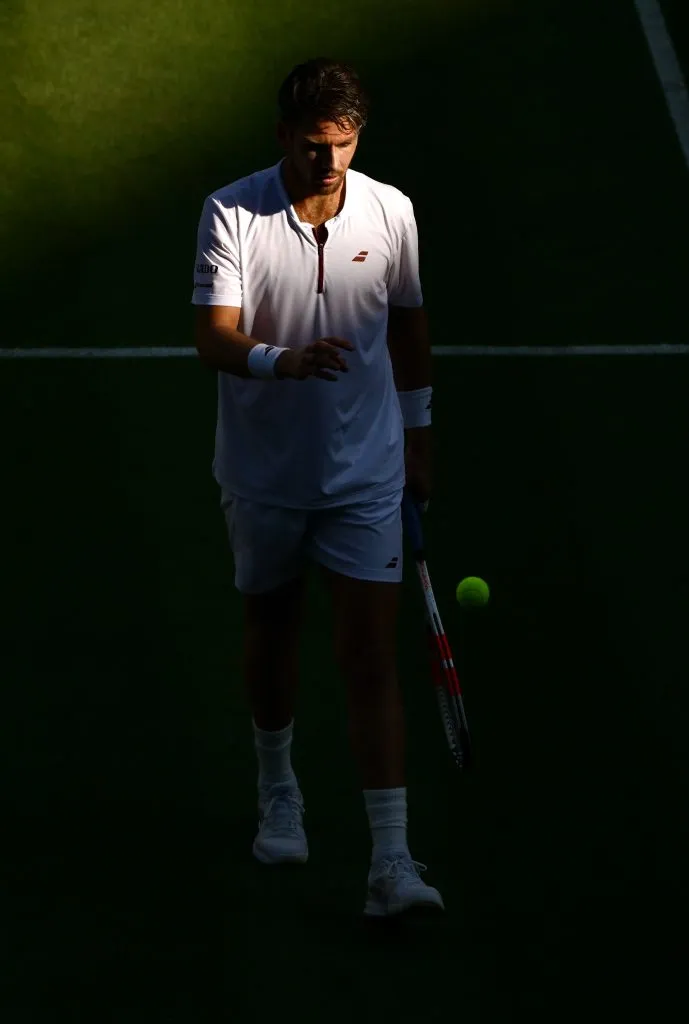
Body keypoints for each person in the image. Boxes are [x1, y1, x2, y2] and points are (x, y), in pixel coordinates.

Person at [192, 57, 444, 917]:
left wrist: (418, 437)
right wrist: (282, 361)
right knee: (272, 633)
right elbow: (214, 337)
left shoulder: (392, 210)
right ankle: (278, 790)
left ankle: (391, 862)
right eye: (312, 145)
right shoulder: (231, 211)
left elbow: (407, 324)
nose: (329, 162)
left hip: (365, 473)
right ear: (282, 137)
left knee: (369, 655)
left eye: (343, 143)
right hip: (263, 475)